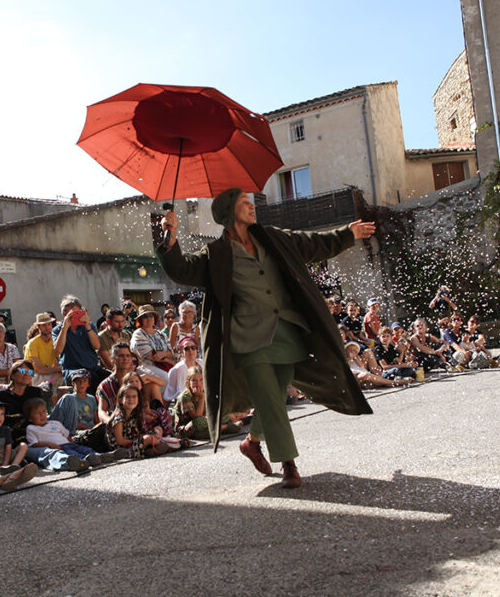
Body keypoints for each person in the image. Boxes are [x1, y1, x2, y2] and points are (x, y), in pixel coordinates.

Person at [156, 188, 374, 488]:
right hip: (247, 338)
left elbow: (313, 244)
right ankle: (288, 463)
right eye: (245, 203)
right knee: (270, 398)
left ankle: (252, 441)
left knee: (278, 389)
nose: (252, 207)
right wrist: (171, 239)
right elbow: (182, 269)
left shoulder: (273, 238)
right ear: (230, 212)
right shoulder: (216, 254)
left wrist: (348, 234)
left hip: (286, 329)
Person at [23, 397, 107, 469]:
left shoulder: (55, 423)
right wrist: (49, 444)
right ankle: (85, 461)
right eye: (38, 413)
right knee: (73, 454)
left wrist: (73, 442)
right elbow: (34, 444)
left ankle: (100, 456)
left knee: (84, 449)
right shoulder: (31, 428)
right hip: (58, 447)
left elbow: (66, 435)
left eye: (44, 412)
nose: (42, 415)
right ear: (30, 418)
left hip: (68, 443)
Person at [52, 295, 109, 388]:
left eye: (77, 312)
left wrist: (87, 327)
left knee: (111, 379)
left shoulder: (88, 326)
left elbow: (97, 346)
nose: (74, 316)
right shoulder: (58, 330)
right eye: (71, 313)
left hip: (92, 367)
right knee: (90, 379)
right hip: (73, 370)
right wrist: (65, 328)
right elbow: (58, 350)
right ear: (64, 313)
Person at [130, 304, 174, 405]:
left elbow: (171, 352)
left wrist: (164, 354)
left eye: (151, 316)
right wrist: (166, 357)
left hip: (164, 365)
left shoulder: (161, 334)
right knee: (166, 378)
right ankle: (162, 408)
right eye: (145, 316)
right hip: (145, 366)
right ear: (140, 320)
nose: (149, 318)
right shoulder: (138, 334)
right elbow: (151, 356)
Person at [24, 312, 63, 387]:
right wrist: (57, 368)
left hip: (50, 374)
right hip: (35, 376)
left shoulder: (54, 341)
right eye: (44, 325)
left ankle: (48, 384)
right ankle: (48, 386)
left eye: (49, 324)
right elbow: (39, 369)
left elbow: (60, 359)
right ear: (38, 327)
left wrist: (59, 367)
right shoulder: (32, 343)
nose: (47, 327)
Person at [164, 335, 201, 403]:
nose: (190, 351)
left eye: (193, 348)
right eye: (186, 348)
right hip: (184, 400)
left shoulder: (201, 363)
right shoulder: (179, 368)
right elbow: (181, 391)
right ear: (181, 352)